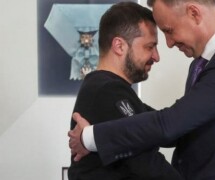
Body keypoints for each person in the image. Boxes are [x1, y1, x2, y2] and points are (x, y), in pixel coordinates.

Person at [69, 0, 215, 179]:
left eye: (169, 31)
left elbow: (171, 124)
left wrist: (89, 137)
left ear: (194, 13)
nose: (168, 44)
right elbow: (182, 129)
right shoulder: (203, 64)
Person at [67, 2, 183, 180]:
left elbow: (164, 129)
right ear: (119, 46)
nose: (156, 57)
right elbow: (148, 165)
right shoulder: (107, 92)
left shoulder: (110, 90)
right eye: (149, 46)